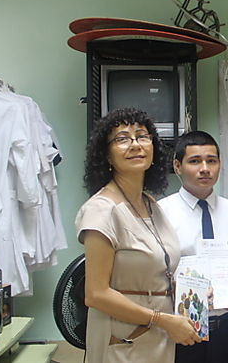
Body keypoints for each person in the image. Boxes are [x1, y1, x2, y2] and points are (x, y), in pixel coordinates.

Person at [76, 107, 200, 363]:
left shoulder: (152, 205)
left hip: (160, 335)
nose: (135, 144)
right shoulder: (101, 210)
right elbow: (96, 294)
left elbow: (158, 272)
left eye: (142, 136)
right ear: (106, 155)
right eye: (122, 139)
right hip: (123, 337)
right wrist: (160, 319)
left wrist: (191, 292)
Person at [158, 130, 228, 363]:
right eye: (195, 161)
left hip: (227, 325)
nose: (205, 168)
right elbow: (154, 272)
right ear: (177, 166)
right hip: (181, 324)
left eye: (212, 161)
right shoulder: (160, 213)